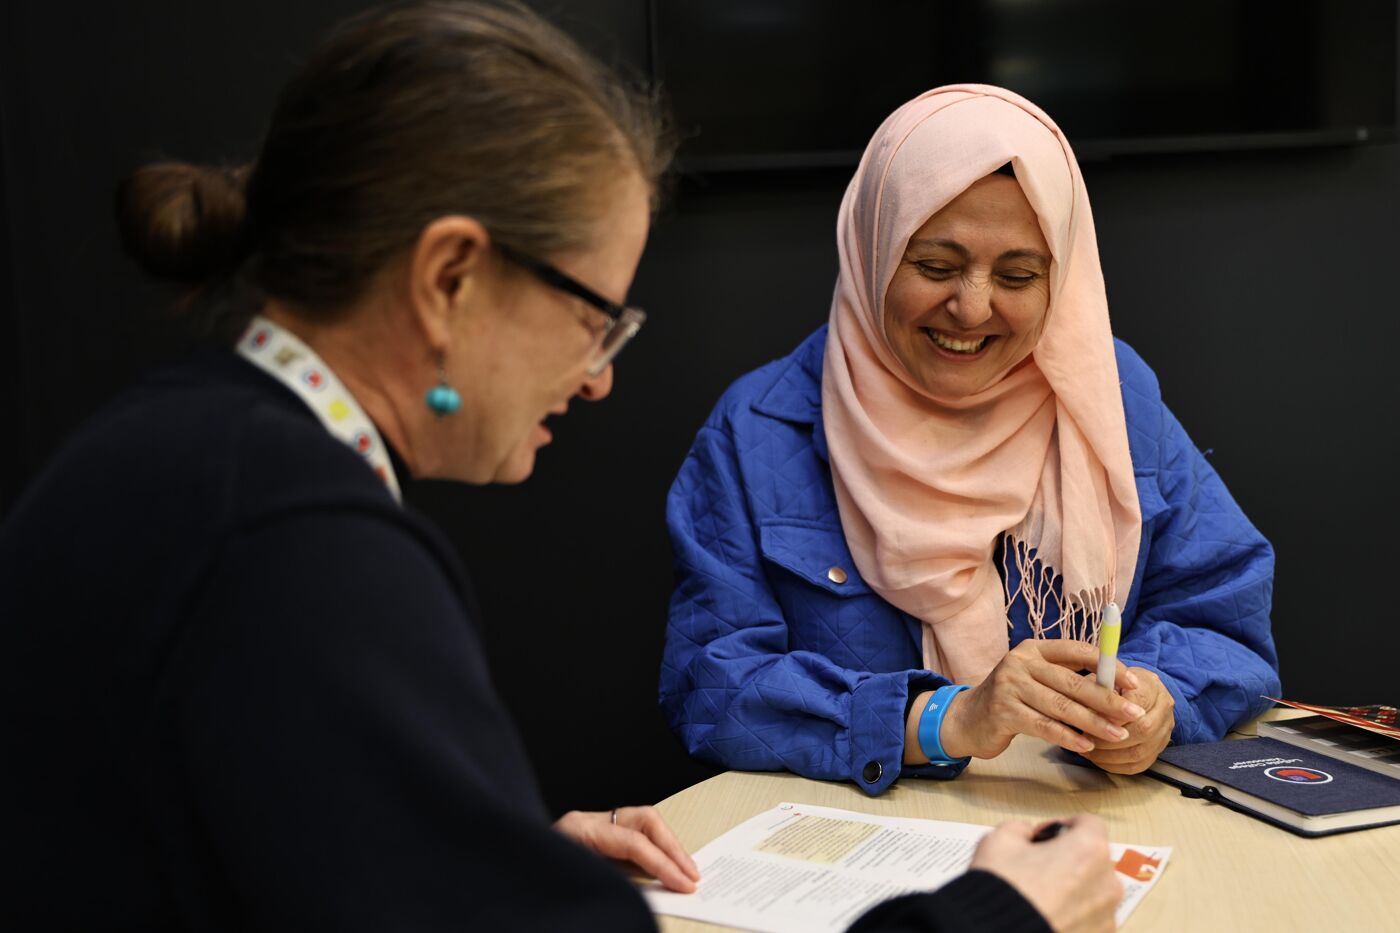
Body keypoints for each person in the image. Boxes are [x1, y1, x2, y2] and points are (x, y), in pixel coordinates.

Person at [0, 8, 1120, 933]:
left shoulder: (181, 451)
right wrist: (991, 916)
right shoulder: (306, 543)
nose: (595, 381)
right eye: (594, 319)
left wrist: (492, 854)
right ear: (449, 277)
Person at [662, 84, 1281, 798]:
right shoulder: (756, 432)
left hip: (1076, 825)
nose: (973, 306)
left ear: (1063, 280)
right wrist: (946, 719)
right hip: (861, 842)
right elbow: (710, 684)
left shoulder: (1109, 398)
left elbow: (1224, 617)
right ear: (873, 250)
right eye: (935, 265)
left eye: (1018, 275)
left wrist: (1155, 700)